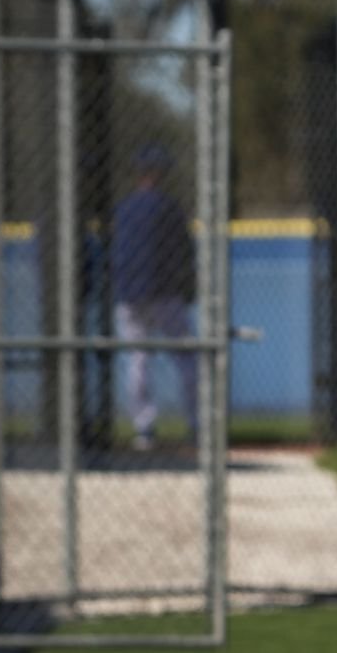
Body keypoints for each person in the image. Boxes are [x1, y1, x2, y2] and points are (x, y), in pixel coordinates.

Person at [110, 144, 197, 450]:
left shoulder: (123, 208)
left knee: (138, 360)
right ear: (158, 174)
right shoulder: (168, 207)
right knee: (186, 357)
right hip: (164, 293)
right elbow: (184, 252)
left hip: (130, 294)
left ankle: (143, 429)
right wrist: (188, 289)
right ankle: (197, 424)